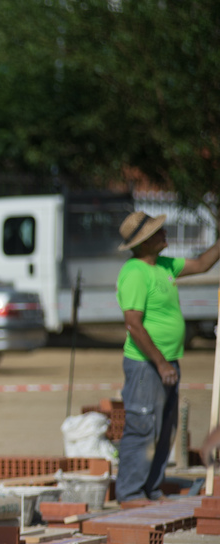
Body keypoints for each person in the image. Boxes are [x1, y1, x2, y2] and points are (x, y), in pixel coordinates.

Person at [115, 211, 219, 502]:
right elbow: (133, 324)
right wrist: (160, 363)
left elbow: (202, 263)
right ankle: (131, 493)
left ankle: (151, 488)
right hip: (147, 365)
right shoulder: (134, 272)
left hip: (167, 362)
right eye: (158, 233)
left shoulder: (164, 266)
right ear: (145, 242)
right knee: (143, 427)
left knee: (165, 429)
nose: (165, 235)